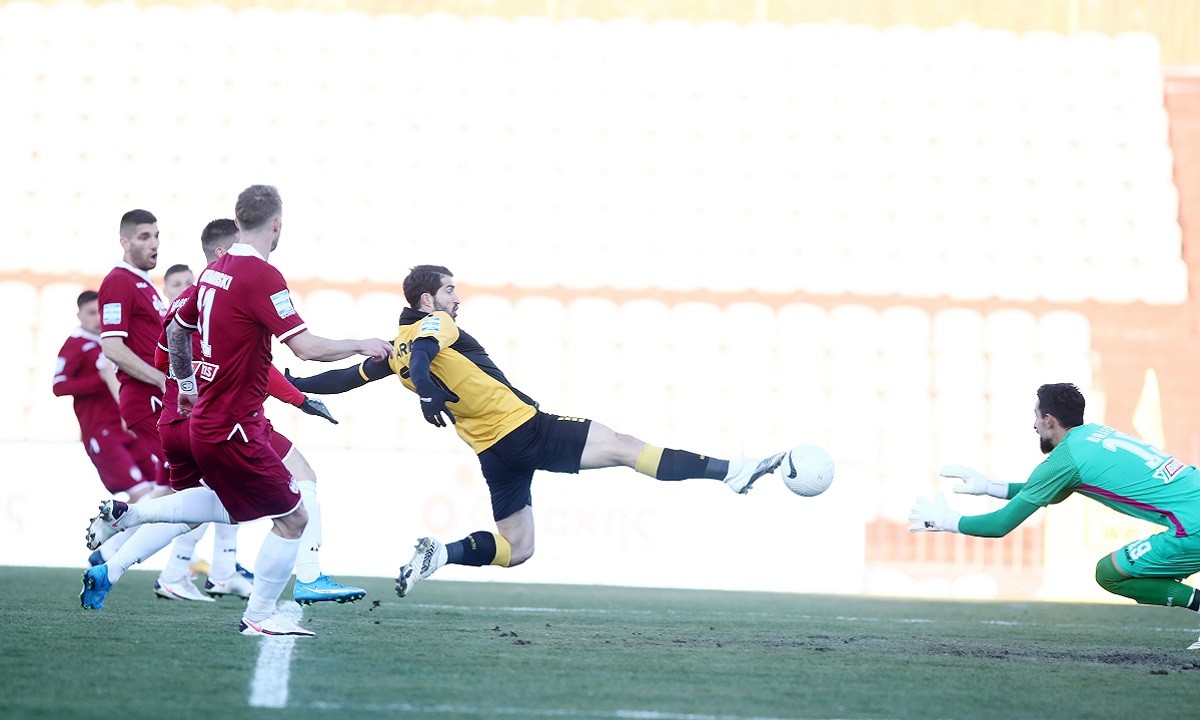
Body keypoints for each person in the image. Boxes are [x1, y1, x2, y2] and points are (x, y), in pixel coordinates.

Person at [285, 264, 790, 599]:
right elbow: (424, 354)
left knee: (519, 547)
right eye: (449, 290)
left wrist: (295, 386)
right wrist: (428, 393)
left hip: (493, 453)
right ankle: (732, 471)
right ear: (426, 298)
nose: (457, 299)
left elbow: (348, 377)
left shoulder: (393, 347)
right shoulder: (434, 326)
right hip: (524, 429)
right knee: (623, 447)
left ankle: (443, 554)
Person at [85, 185, 391, 637]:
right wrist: (361, 344)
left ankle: (127, 524)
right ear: (276, 225)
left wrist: (185, 384)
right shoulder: (261, 276)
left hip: (203, 418)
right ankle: (269, 607)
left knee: (225, 508)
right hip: (234, 424)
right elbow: (305, 348)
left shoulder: (212, 274)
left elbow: (175, 331)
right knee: (293, 514)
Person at [908, 382, 1200, 650]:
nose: (1034, 425)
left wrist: (944, 521)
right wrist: (989, 487)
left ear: (1049, 420)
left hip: (1191, 526)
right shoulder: (1096, 434)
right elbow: (1055, 492)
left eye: (1036, 417)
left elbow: (999, 525)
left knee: (1110, 574)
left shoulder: (1065, 459)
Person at [96, 209, 212, 601]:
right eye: (144, 237)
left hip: (161, 397)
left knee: (174, 487)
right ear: (125, 241)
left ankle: (109, 548)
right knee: (203, 484)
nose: (154, 244)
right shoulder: (118, 282)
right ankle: (172, 571)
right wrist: (164, 380)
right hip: (148, 398)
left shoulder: (142, 284)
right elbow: (112, 347)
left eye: (157, 236)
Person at [53, 291, 148, 499]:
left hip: (128, 428)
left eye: (101, 313)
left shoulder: (113, 342)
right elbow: (58, 386)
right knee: (140, 494)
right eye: (91, 313)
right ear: (79, 315)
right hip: (102, 432)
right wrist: (100, 378)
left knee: (158, 489)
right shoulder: (75, 345)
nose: (98, 318)